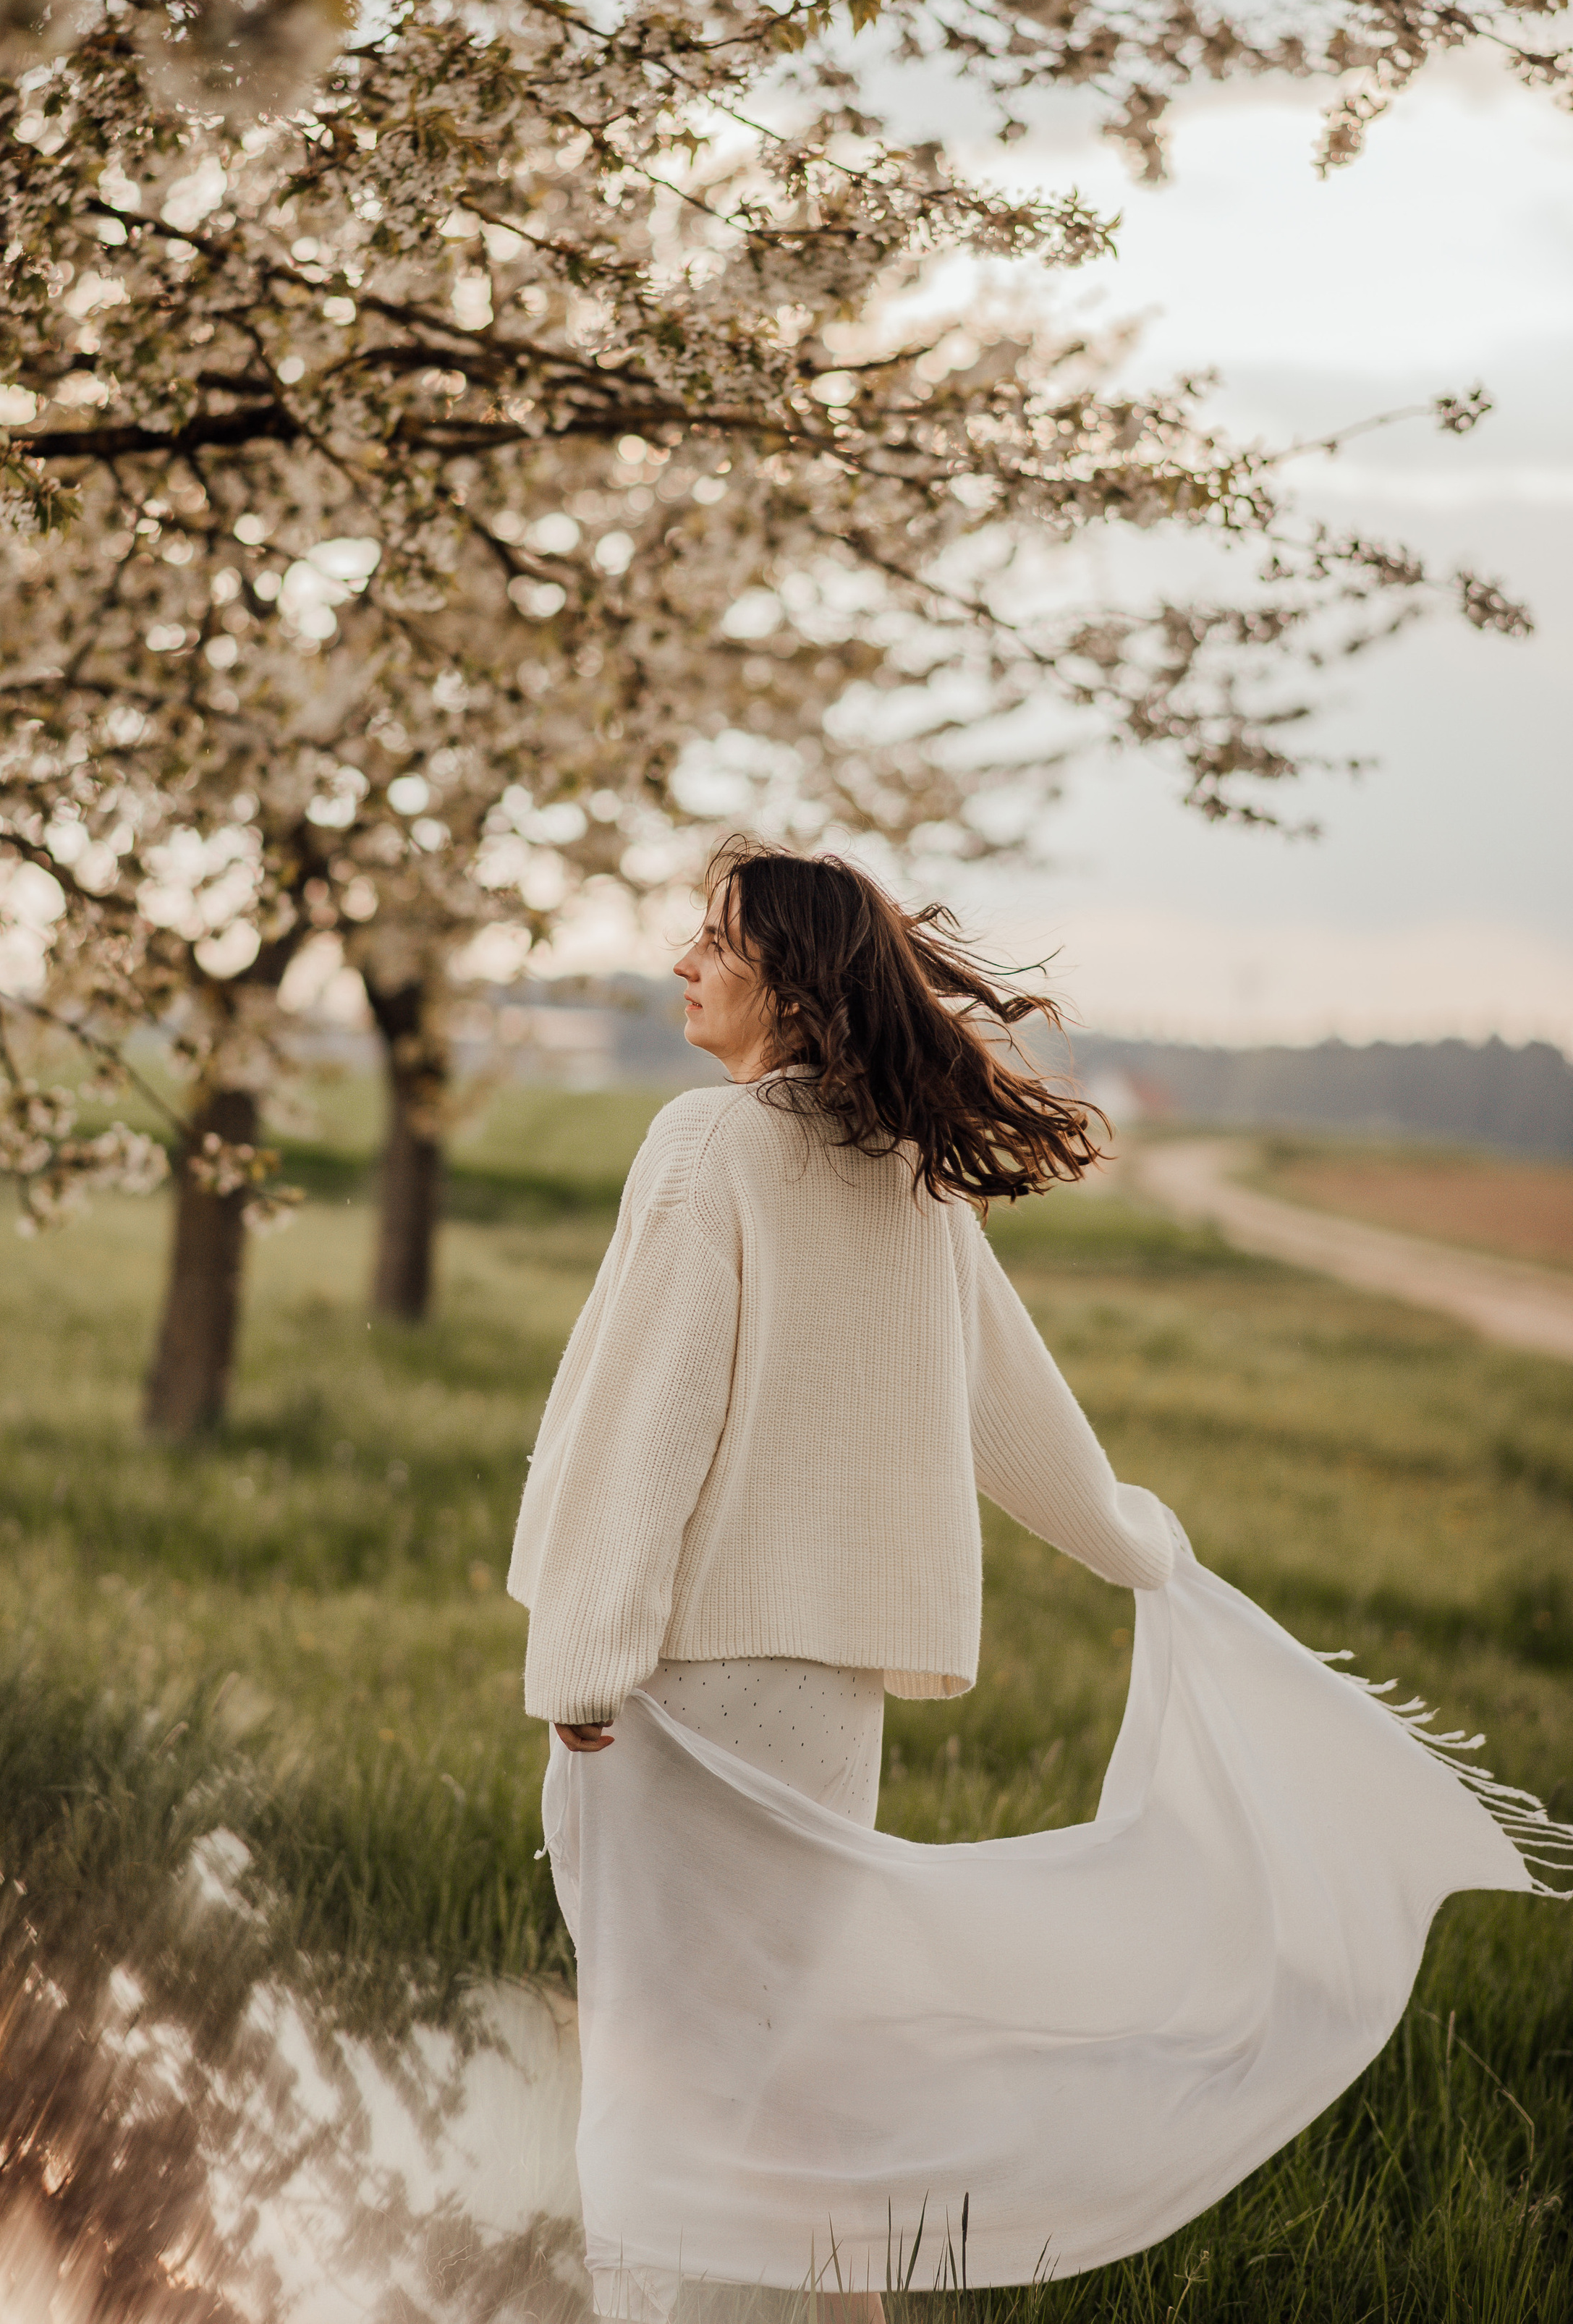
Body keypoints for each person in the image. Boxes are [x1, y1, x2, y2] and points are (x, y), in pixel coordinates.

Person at [507, 839, 1566, 2314]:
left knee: (669, 2058)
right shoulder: (906, 1173)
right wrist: (1137, 1545)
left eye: (713, 942)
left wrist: (580, 1657)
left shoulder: (706, 1144)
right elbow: (1013, 1410)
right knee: (787, 2052)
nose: (682, 962)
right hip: (831, 1699)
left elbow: (650, 1419)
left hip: (685, 1684)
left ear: (790, 986)